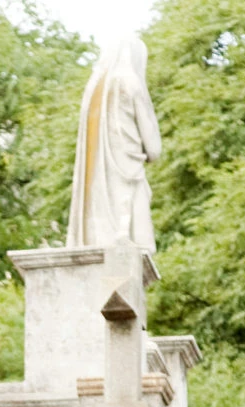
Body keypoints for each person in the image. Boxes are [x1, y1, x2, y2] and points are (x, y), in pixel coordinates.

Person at [68, 34, 161, 250]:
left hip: (95, 186)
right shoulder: (131, 82)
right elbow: (155, 149)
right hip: (129, 174)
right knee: (134, 230)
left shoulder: (93, 88)